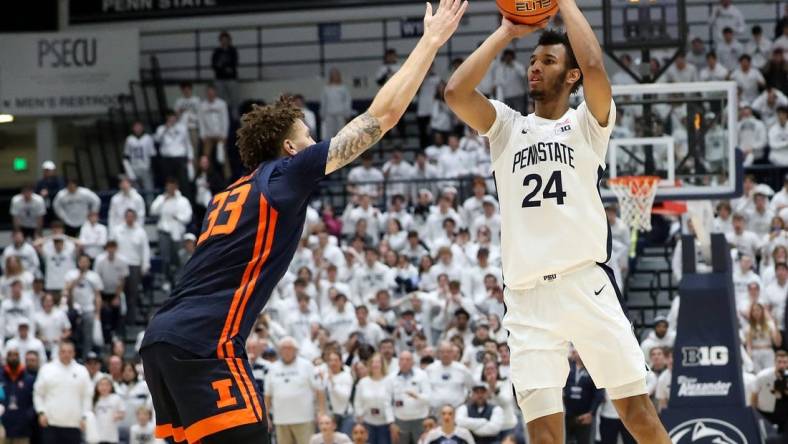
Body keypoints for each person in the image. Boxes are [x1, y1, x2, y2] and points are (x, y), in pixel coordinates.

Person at [139, 3, 467, 442]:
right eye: (309, 136)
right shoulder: (285, 175)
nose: (316, 144)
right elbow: (382, 117)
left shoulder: (227, 195)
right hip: (205, 344)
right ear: (291, 149)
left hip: (161, 340)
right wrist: (431, 41)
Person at [444, 1, 670, 442]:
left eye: (547, 61)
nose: (534, 68)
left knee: (637, 414)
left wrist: (564, 2)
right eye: (532, 61)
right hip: (527, 299)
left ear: (570, 78)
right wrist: (508, 32)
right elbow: (455, 92)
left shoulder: (587, 124)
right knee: (545, 434)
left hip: (585, 283)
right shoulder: (507, 127)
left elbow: (591, 62)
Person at [264, 337, 325, 444]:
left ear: (296, 350)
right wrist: (266, 416)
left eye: (289, 348)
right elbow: (267, 395)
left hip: (304, 419)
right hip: (281, 420)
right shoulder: (272, 368)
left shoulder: (306, 365)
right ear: (279, 351)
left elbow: (319, 390)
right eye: (283, 348)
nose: (286, 351)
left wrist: (321, 412)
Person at [33, 339, 93, 444]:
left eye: (69, 352)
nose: (66, 354)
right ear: (59, 352)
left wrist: (85, 416)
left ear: (74, 353)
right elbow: (38, 394)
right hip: (51, 423)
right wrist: (41, 412)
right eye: (63, 351)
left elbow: (87, 396)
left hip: (74, 424)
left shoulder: (82, 371)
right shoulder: (47, 369)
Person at [150, 177, 193, 291]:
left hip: (178, 233)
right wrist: (164, 200)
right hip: (164, 232)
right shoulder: (161, 198)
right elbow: (153, 211)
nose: (171, 188)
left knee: (179, 258)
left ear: (176, 187)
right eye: (169, 186)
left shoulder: (183, 200)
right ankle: (166, 280)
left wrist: (177, 217)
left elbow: (188, 217)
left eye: (173, 185)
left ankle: (180, 280)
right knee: (165, 258)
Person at [110, 209, 149, 327]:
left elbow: (145, 250)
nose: (130, 218)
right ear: (124, 217)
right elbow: (112, 246)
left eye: (132, 216)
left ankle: (130, 321)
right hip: (119, 265)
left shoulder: (140, 232)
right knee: (117, 293)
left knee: (132, 295)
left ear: (135, 218)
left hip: (134, 265)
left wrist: (145, 265)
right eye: (128, 216)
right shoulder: (117, 230)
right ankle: (118, 322)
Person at [63, 254, 103, 357]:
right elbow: (66, 290)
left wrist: (97, 313)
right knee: (71, 332)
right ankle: (71, 354)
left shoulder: (94, 276)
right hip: (73, 308)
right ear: (78, 262)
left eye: (86, 261)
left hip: (89, 308)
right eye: (82, 261)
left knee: (88, 334)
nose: (84, 263)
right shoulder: (70, 274)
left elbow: (97, 296)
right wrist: (79, 277)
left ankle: (86, 356)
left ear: (89, 263)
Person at [389, 351, 431, 444]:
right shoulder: (391, 377)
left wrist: (417, 396)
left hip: (420, 419)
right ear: (398, 362)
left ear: (413, 362)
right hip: (400, 420)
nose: (404, 362)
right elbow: (387, 402)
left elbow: (429, 398)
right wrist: (392, 423)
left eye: (408, 360)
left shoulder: (422, 375)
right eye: (402, 359)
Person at [563, 350, 603, 444]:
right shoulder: (567, 368)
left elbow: (599, 394)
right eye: (576, 350)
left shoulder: (593, 370)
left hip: (585, 416)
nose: (577, 352)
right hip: (567, 416)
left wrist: (591, 413)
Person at [354, 353, 394, 444]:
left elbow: (392, 402)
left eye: (378, 362)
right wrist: (359, 417)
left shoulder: (389, 381)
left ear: (382, 364)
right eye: (373, 362)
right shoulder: (363, 382)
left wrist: (392, 422)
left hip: (385, 424)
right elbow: (357, 402)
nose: (375, 365)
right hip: (367, 423)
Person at [154, 110, 194, 199]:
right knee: (169, 182)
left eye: (173, 117)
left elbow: (187, 143)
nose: (171, 119)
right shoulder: (161, 129)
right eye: (169, 117)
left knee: (184, 183)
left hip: (180, 158)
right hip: (167, 159)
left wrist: (190, 157)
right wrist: (166, 128)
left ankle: (187, 203)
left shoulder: (182, 128)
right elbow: (157, 140)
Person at [2, 347, 37, 444]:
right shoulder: (1, 377)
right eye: (10, 355)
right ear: (6, 358)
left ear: (20, 357)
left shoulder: (30, 379)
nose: (13, 357)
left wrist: (28, 417)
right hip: (2, 429)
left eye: (16, 355)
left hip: (23, 430)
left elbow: (35, 401)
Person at [198, 84, 230, 175]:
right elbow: (201, 121)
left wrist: (224, 135)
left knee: (223, 157)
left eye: (212, 93)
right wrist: (202, 135)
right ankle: (206, 176)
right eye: (209, 93)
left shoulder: (222, 104)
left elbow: (225, 120)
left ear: (215, 93)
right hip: (208, 136)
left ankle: (227, 176)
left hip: (220, 135)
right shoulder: (202, 105)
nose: (210, 95)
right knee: (205, 156)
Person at [123, 121, 157, 193]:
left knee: (149, 188)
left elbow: (152, 154)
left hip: (145, 166)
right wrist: (129, 170)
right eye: (136, 127)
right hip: (134, 167)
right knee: (135, 189)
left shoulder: (147, 138)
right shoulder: (129, 139)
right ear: (133, 128)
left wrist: (150, 167)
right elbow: (126, 155)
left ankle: (149, 203)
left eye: (139, 127)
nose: (138, 129)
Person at [212, 31, 239, 118]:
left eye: (226, 39)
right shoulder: (217, 52)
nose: (224, 41)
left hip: (231, 79)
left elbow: (234, 64)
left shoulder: (233, 51)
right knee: (220, 100)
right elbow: (214, 65)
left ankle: (235, 118)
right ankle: (221, 116)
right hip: (220, 79)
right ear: (220, 41)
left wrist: (224, 67)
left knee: (234, 99)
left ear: (229, 40)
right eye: (222, 40)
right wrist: (224, 68)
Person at [321, 68, 354, 141]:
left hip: (340, 114)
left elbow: (347, 101)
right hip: (329, 114)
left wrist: (347, 114)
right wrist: (322, 114)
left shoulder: (343, 88)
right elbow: (324, 101)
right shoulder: (326, 88)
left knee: (341, 133)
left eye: (336, 75)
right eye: (333, 75)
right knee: (328, 134)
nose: (334, 76)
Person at [92, 376, 126, 444]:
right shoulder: (94, 400)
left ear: (111, 386)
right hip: (97, 437)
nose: (104, 387)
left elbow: (123, 413)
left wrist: (118, 415)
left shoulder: (116, 398)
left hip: (112, 437)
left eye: (106, 384)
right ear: (97, 387)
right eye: (101, 384)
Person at [492, 49, 526, 113]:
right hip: (506, 96)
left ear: (512, 57)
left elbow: (523, 74)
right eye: (506, 57)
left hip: (518, 95)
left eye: (509, 57)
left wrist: (513, 66)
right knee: (509, 115)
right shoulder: (500, 68)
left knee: (520, 114)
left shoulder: (518, 66)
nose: (508, 58)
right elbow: (497, 81)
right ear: (504, 57)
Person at [174, 81, 202, 152]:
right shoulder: (179, 101)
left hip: (193, 128)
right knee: (183, 148)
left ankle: (195, 163)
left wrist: (192, 117)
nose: (186, 92)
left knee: (194, 148)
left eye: (188, 89)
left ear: (191, 89)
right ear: (182, 91)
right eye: (184, 90)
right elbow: (175, 116)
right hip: (182, 128)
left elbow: (200, 115)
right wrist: (180, 112)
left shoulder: (197, 100)